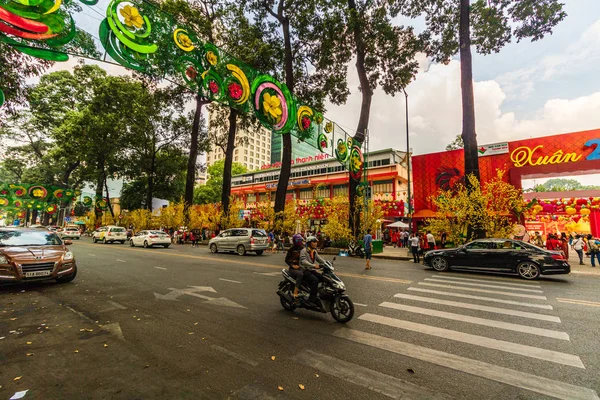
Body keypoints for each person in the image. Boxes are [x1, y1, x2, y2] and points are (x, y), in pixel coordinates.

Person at [299, 236, 325, 306]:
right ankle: (311, 300)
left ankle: (318, 293)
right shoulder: (303, 251)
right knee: (315, 280)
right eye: (314, 242)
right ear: (309, 243)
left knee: (324, 278)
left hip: (310, 270)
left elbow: (320, 259)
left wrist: (327, 264)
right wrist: (313, 265)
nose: (316, 243)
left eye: (316, 242)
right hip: (304, 270)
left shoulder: (314, 252)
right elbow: (303, 261)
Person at [285, 234, 305, 301]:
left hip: (301, 267)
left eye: (300, 240)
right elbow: (286, 260)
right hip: (293, 269)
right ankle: (295, 292)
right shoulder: (291, 249)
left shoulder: (303, 248)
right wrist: (293, 265)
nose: (299, 241)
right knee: (300, 274)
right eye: (298, 240)